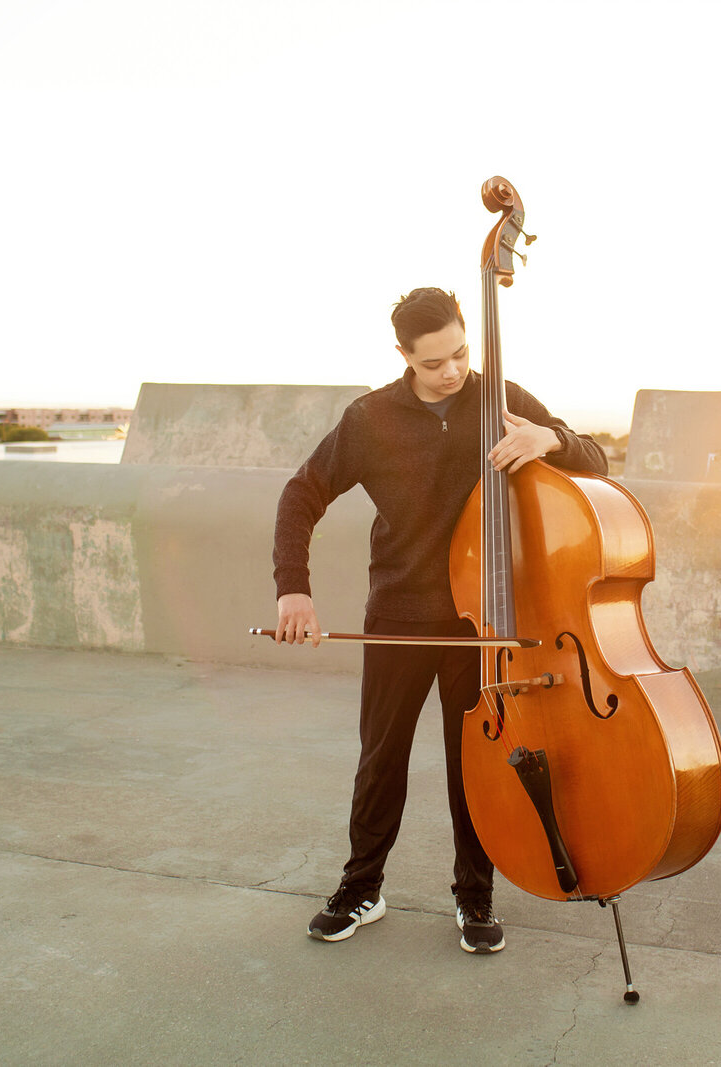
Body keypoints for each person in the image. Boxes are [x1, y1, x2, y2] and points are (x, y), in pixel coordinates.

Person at [271, 286, 609, 954]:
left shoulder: (500, 397)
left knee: (472, 765)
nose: (452, 371)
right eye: (434, 363)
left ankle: (474, 897)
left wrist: (551, 438)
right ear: (403, 356)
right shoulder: (368, 419)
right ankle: (361, 887)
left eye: (459, 353)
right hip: (398, 612)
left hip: (481, 622)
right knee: (380, 759)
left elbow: (594, 459)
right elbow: (300, 494)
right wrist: (293, 590)